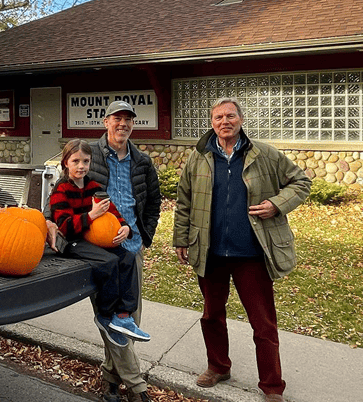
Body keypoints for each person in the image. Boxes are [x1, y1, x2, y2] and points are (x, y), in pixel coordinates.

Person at [172, 98, 310, 402]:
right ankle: (218, 367)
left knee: (263, 323)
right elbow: (184, 202)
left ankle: (272, 386)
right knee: (211, 316)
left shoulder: (264, 154)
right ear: (212, 123)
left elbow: (300, 182)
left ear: (241, 119)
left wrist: (276, 204)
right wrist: (181, 239)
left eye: (230, 116)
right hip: (211, 253)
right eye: (219, 117)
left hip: (252, 255)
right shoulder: (199, 158)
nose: (225, 121)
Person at [45, 100, 161, 402]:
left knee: (127, 319)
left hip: (130, 246)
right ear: (106, 121)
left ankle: (110, 378)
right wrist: (49, 221)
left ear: (133, 124)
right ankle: (137, 387)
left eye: (128, 119)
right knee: (109, 317)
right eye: (117, 118)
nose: (122, 124)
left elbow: (153, 203)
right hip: (93, 246)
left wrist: (143, 234)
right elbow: (61, 192)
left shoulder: (142, 161)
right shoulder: (88, 155)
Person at [49, 139, 150, 349]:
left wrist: (124, 227)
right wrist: (91, 215)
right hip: (72, 242)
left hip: (93, 239)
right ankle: (105, 315)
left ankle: (123, 315)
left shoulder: (94, 187)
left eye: (85, 161)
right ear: (66, 162)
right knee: (108, 261)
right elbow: (65, 227)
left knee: (128, 257)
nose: (81, 166)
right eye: (75, 161)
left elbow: (112, 210)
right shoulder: (62, 190)